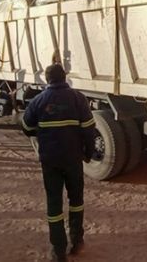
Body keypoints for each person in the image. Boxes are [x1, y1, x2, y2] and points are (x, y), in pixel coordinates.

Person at [22, 64, 95, 262]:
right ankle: (77, 242)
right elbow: (89, 128)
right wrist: (89, 152)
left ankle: (58, 250)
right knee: (76, 200)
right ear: (65, 77)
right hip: (73, 159)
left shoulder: (38, 101)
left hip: (50, 160)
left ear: (47, 79)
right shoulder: (78, 98)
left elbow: (27, 127)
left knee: (54, 204)